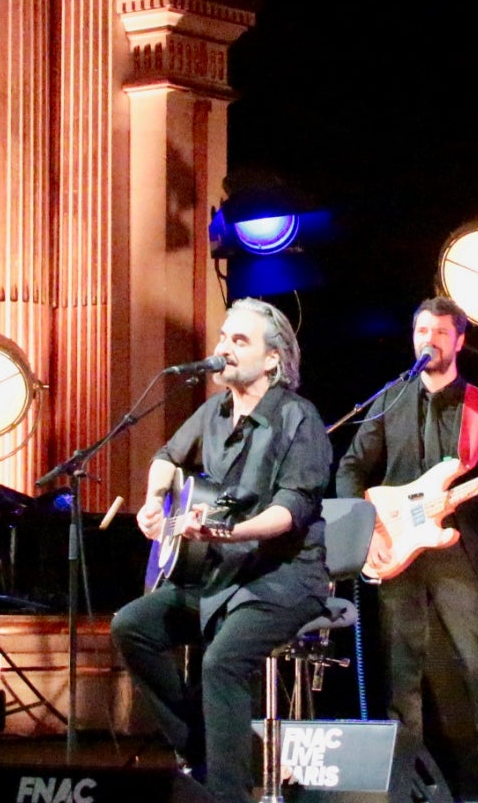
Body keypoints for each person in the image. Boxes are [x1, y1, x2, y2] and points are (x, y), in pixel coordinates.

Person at [110, 299, 332, 803]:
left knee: (221, 662)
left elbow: (290, 510)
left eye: (240, 341)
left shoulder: (299, 418)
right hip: (218, 575)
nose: (222, 350)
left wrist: (231, 533)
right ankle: (206, 750)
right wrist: (152, 503)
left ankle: (228, 794)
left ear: (273, 360)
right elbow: (167, 458)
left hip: (283, 578)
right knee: (131, 626)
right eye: (223, 338)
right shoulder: (215, 411)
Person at [335, 296, 478, 803]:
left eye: (440, 333)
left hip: (458, 553)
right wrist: (369, 518)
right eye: (422, 331)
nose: (429, 341)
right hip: (398, 550)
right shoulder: (390, 399)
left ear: (460, 341)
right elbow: (352, 467)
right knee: (402, 671)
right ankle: (408, 783)